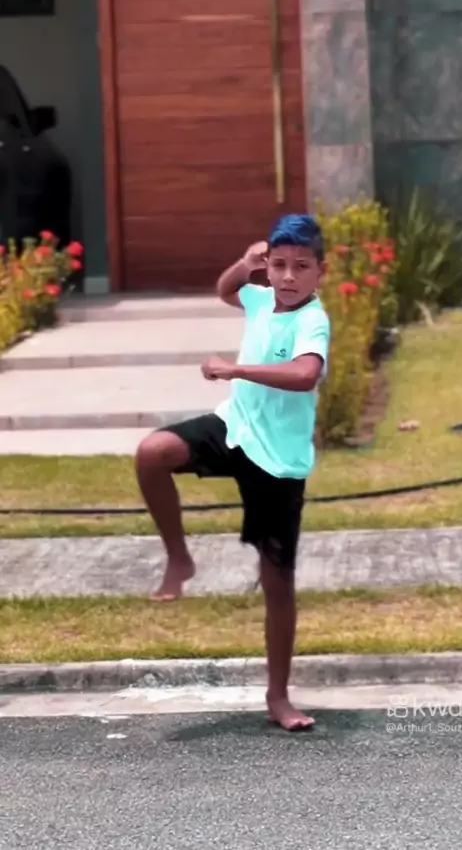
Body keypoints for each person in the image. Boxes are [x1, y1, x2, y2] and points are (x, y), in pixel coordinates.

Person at [135, 214, 330, 731]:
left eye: (301, 267)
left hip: (278, 461)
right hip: (235, 429)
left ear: (320, 272)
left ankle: (278, 697)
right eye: (279, 265)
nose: (287, 277)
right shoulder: (262, 298)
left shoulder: (313, 321)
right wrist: (244, 266)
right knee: (153, 453)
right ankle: (180, 559)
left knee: (276, 583)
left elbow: (305, 374)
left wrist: (235, 369)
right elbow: (225, 290)